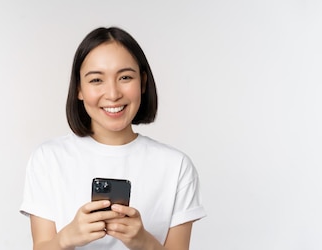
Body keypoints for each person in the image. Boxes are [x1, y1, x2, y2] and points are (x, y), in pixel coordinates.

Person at [20, 26, 206, 250]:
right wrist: (67, 238)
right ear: (79, 89)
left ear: (143, 83)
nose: (113, 93)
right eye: (96, 80)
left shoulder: (176, 166)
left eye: (125, 77)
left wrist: (143, 241)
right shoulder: (48, 159)